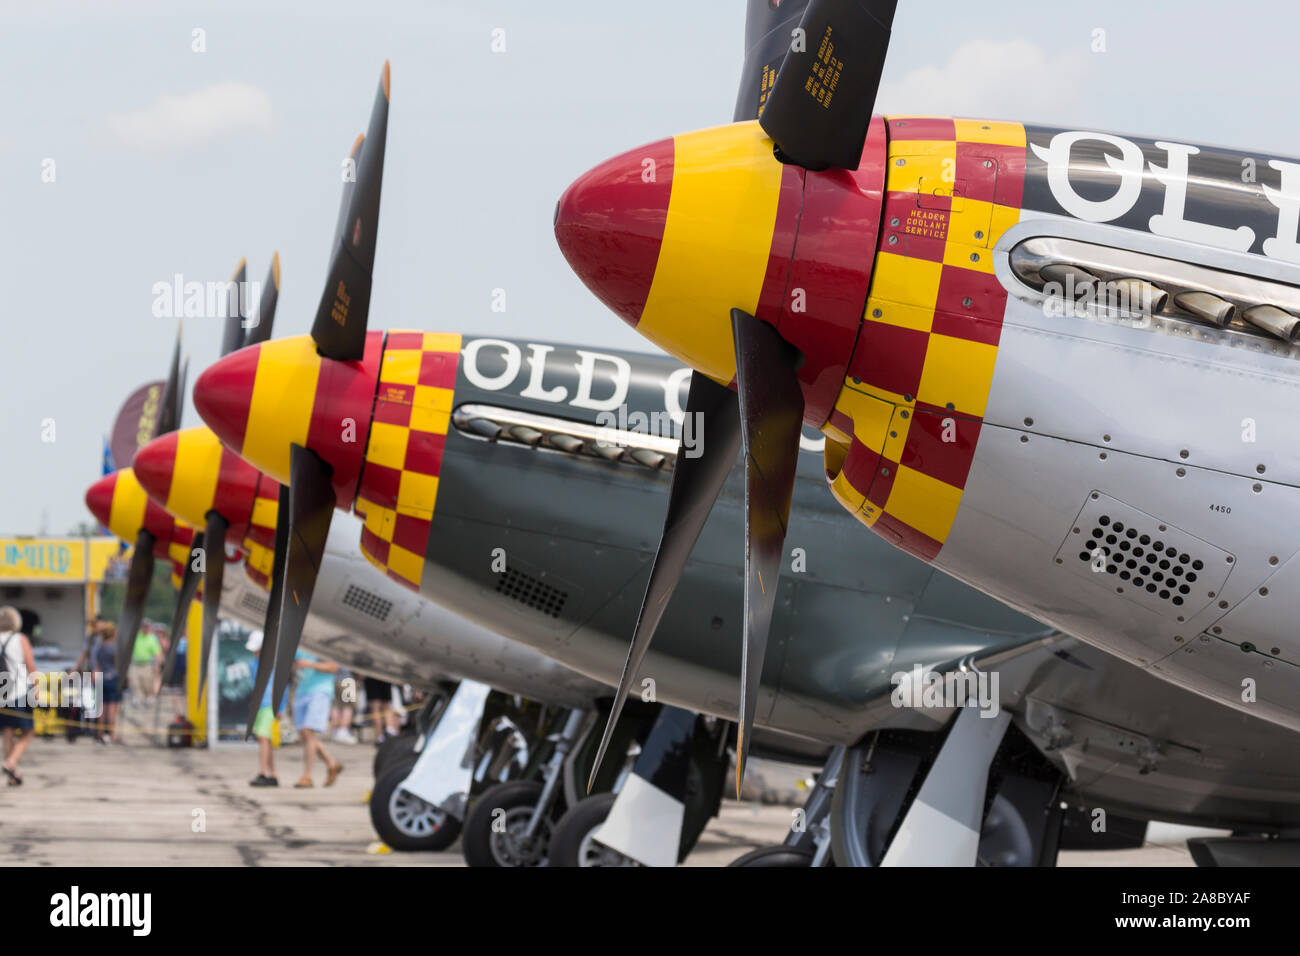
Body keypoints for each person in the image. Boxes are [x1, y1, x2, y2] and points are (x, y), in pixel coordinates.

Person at [292, 650, 343, 787]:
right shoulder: (299, 644)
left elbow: (334, 667)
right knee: (305, 735)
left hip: (320, 690)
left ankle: (307, 776)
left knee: (308, 732)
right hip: (302, 690)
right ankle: (331, 762)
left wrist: (310, 664)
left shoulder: (319, 643)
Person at [0, 606, 36, 784]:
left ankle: (12, 775)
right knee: (28, 731)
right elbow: (30, 666)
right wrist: (36, 690)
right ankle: (11, 762)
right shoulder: (20, 639)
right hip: (19, 691)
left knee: (7, 731)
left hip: (1, 694)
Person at [245, 631, 284, 786]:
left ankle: (262, 772)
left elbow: (282, 685)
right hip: (260, 704)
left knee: (262, 736)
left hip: (270, 704)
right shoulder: (253, 664)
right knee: (265, 738)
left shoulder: (275, 664)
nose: (255, 653)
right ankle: (272, 774)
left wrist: (280, 706)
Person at [92, 623, 123, 744]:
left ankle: (100, 734)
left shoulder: (99, 646)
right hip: (113, 678)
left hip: (101, 678)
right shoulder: (115, 647)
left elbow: (96, 663)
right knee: (112, 708)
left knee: (101, 707)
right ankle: (111, 735)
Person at [129, 621, 162, 707]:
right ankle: (136, 697)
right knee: (134, 681)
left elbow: (157, 653)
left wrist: (157, 665)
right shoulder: (136, 636)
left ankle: (148, 697)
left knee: (147, 682)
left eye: (147, 627)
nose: (145, 628)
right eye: (144, 627)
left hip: (147, 664)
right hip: (136, 663)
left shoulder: (152, 638)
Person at [364, 676, 397, 744]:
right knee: (385, 705)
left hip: (372, 675)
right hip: (384, 675)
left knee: (376, 707)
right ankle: (389, 729)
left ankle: (381, 735)